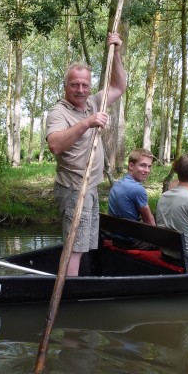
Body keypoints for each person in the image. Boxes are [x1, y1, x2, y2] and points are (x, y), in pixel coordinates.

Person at [46, 32, 126, 276]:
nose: (80, 90)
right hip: (73, 190)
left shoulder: (94, 102)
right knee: (74, 248)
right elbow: (55, 145)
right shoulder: (58, 112)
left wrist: (117, 53)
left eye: (84, 85)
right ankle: (69, 290)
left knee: (84, 246)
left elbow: (119, 86)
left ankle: (76, 282)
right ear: (65, 86)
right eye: (75, 85)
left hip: (90, 189)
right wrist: (87, 123)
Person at [107, 148, 156, 249]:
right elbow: (150, 222)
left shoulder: (118, 184)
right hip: (131, 242)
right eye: (142, 165)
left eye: (149, 166)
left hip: (116, 237)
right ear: (131, 165)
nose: (147, 170)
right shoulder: (137, 189)